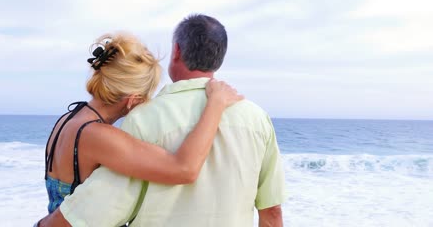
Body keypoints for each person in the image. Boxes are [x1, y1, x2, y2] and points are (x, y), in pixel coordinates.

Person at [40, 14, 286, 227]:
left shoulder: (72, 120)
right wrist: (215, 104)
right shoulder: (258, 118)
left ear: (176, 51)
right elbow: (184, 168)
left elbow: (101, 205)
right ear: (132, 98)